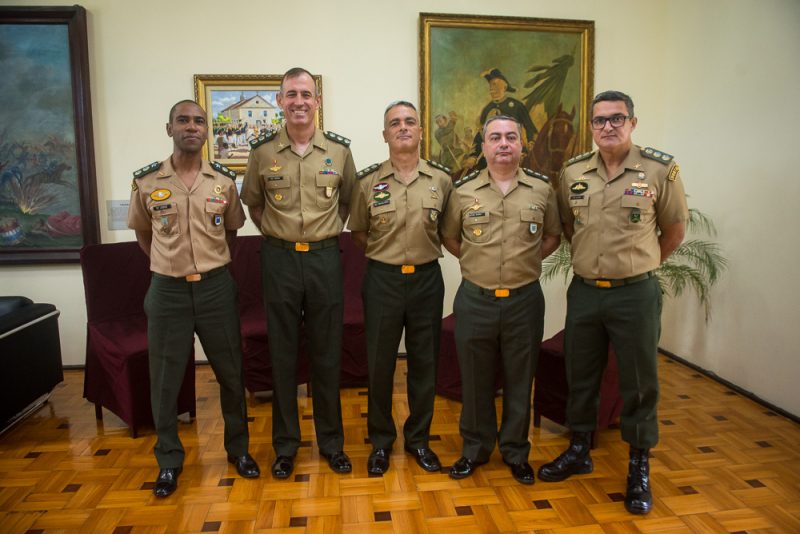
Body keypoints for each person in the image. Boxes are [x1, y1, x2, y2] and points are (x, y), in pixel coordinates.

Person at [537, 90, 688, 515]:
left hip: (635, 294)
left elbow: (674, 230)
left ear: (632, 123)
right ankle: (579, 448)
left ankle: (638, 464)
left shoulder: (659, 170)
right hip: (586, 291)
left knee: (639, 381)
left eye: (617, 118)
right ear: (591, 126)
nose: (608, 126)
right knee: (580, 374)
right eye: (600, 120)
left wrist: (639, 265)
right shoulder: (573, 172)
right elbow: (570, 226)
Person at [128, 99, 260, 498]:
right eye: (182, 120)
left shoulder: (223, 182)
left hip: (216, 288)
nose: (191, 126)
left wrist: (209, 264)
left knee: (231, 374)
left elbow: (231, 232)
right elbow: (143, 234)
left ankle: (238, 450)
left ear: (206, 130)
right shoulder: (147, 182)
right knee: (165, 380)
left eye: (198, 121)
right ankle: (169, 459)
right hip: (167, 290)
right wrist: (171, 263)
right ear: (169, 128)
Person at [240, 67, 356, 478]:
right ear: (280, 101)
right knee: (283, 354)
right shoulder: (262, 153)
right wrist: (282, 235)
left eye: (306, 94)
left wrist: (323, 232)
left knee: (327, 353)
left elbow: (348, 201)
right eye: (291, 94)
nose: (299, 102)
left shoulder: (339, 151)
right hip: (280, 260)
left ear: (317, 101)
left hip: (324, 258)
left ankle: (332, 444)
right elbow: (254, 205)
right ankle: (285, 447)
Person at [441, 115, 561, 484]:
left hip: (524, 301)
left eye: (511, 137)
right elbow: (450, 238)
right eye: (495, 137)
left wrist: (523, 264)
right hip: (475, 299)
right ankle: (474, 450)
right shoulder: (463, 191)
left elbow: (552, 236)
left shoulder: (542, 190)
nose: (504, 143)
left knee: (520, 378)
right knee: (475, 380)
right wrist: (479, 264)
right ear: (484, 146)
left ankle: (515, 451)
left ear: (522, 145)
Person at [348, 100, 453, 475]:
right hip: (383, 280)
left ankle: (418, 440)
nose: (403, 127)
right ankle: (380, 441)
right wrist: (388, 257)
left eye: (410, 121)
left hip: (426, 280)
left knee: (425, 363)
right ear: (385, 134)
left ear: (421, 131)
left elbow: (448, 231)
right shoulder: (367, 182)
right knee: (379, 364)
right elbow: (359, 232)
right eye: (395, 123)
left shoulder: (441, 180)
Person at [462, 69, 539, 173]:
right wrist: (473, 156)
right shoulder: (487, 109)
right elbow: (481, 134)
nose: (492, 88)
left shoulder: (517, 106)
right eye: (490, 86)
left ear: (505, 87)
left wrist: (531, 143)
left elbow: (530, 127)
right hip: (492, 154)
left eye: (495, 85)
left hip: (516, 151)